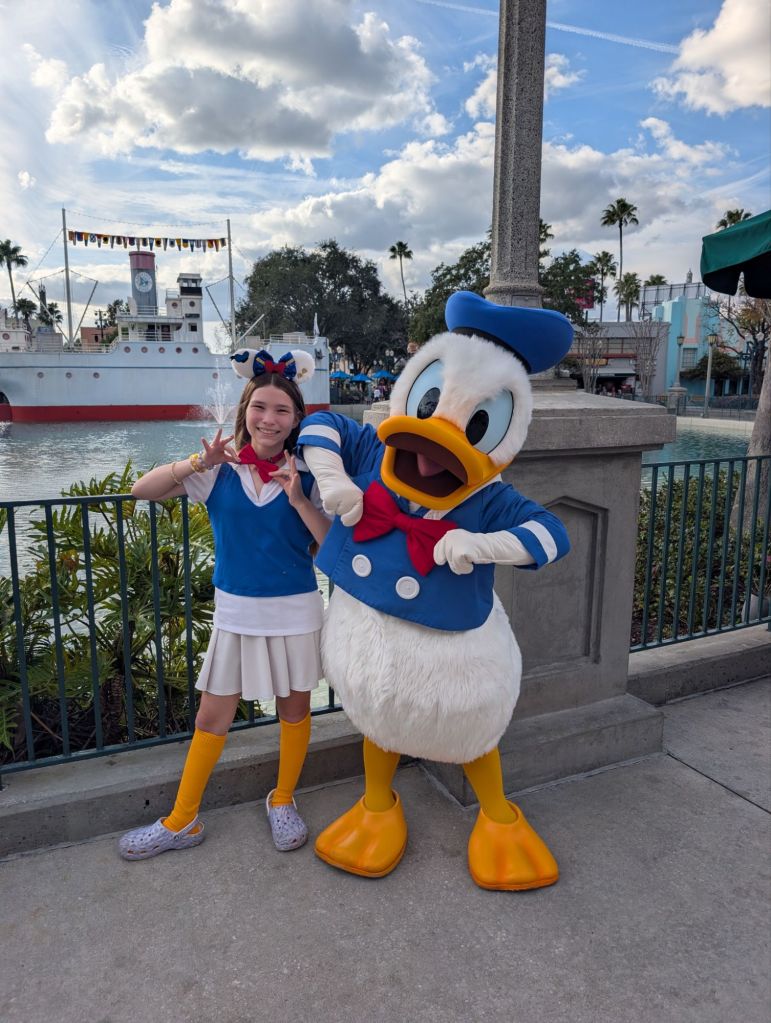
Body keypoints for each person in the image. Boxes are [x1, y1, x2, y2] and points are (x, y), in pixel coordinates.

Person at [118, 349, 330, 860]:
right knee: (212, 717)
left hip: (297, 608)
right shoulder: (218, 469)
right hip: (236, 612)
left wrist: (300, 499)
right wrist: (198, 461)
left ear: (296, 419)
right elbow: (143, 490)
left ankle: (283, 799)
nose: (269, 419)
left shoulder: (309, 474)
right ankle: (182, 820)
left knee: (295, 710)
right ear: (245, 411)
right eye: (260, 407)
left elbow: (329, 546)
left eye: (281, 410)